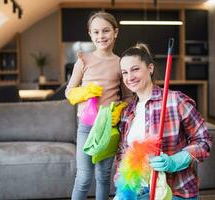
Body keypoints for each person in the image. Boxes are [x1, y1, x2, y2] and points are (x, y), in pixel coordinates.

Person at [115, 43, 213, 200]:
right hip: (142, 192)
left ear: (150, 68)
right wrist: (123, 185)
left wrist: (175, 161)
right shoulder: (127, 113)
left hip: (176, 191)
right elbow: (122, 154)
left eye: (135, 69)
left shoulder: (175, 100)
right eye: (124, 72)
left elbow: (204, 140)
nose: (129, 77)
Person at [65, 11, 132, 200]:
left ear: (115, 32)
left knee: (103, 177)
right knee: (84, 178)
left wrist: (119, 110)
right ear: (90, 34)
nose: (101, 36)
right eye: (96, 32)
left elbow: (128, 98)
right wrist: (84, 92)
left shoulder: (121, 63)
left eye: (106, 31)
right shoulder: (83, 60)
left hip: (109, 128)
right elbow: (69, 92)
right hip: (86, 127)